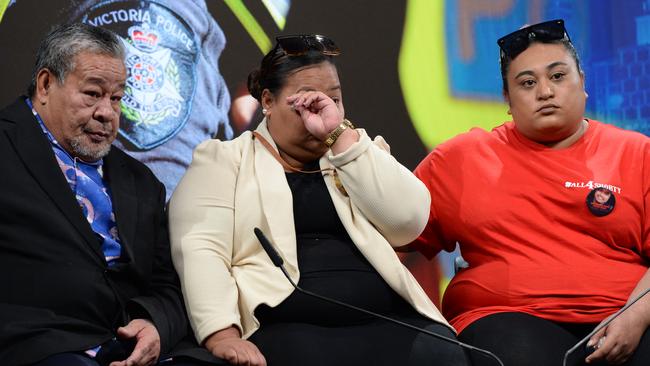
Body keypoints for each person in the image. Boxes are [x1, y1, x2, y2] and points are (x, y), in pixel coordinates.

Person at [169, 34, 470, 366]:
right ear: (267, 102)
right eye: (305, 100)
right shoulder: (224, 161)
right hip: (286, 326)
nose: (322, 108)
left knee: (444, 355)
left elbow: (408, 223)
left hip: (384, 319)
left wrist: (339, 135)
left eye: (333, 99)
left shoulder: (358, 153)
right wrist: (221, 333)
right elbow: (202, 248)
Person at [412, 19, 650, 366]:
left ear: (582, 82)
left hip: (624, 314)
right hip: (506, 318)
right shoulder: (460, 159)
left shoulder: (637, 153)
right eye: (527, 83)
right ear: (507, 98)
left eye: (558, 76)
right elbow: (396, 237)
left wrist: (638, 315)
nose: (545, 92)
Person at [0, 23, 220, 366]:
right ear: (45, 85)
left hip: (126, 346)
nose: (107, 112)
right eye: (92, 94)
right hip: (37, 343)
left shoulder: (142, 181)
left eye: (116, 97)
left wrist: (156, 325)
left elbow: (168, 285)